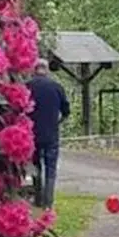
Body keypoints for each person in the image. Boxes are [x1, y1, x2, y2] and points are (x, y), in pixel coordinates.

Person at [29, 66, 71, 208]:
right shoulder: (56, 87)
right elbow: (66, 110)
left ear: (34, 71)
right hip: (51, 134)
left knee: (36, 168)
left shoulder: (28, 86)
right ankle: (48, 203)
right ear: (47, 71)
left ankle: (38, 199)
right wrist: (57, 121)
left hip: (32, 134)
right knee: (50, 170)